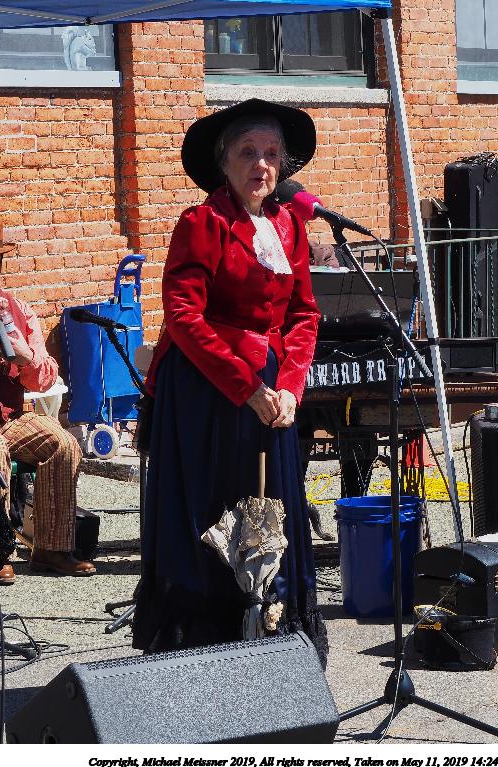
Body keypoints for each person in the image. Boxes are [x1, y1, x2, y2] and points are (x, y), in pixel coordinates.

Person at [132, 98, 327, 664]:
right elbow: (183, 315)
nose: (261, 165)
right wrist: (247, 387)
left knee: (271, 507)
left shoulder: (289, 226)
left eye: (271, 154)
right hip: (206, 389)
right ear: (224, 163)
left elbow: (303, 315)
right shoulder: (202, 223)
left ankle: (270, 629)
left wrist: (290, 387)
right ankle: (208, 642)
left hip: (272, 389)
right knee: (215, 506)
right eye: (247, 152)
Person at [0, 216, 96, 585]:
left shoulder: (17, 310)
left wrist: (25, 357)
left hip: (8, 418)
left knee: (63, 444)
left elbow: (48, 377)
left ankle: (51, 549)